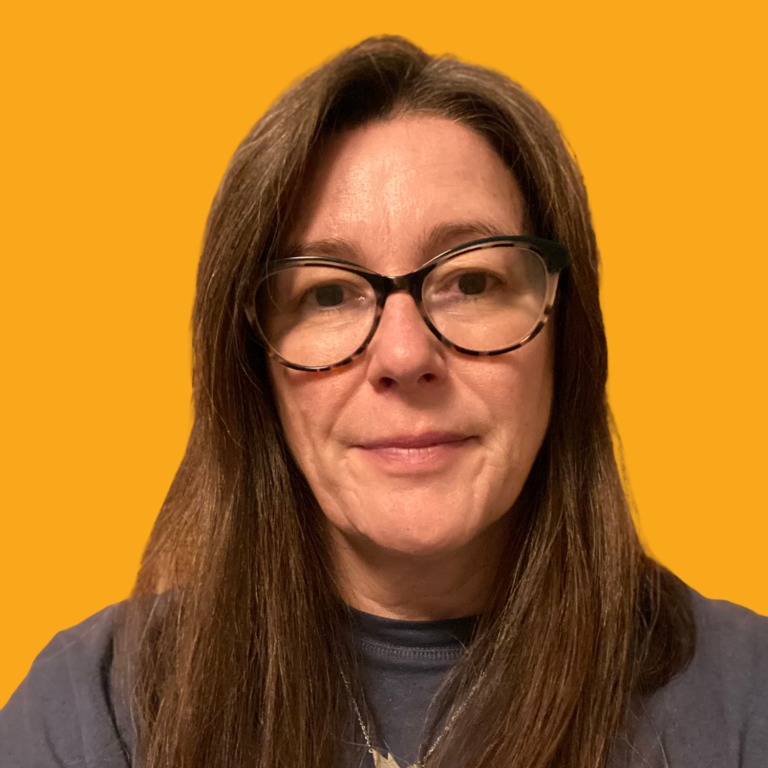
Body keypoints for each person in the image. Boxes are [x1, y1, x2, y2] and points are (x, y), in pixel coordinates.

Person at [1, 35, 766, 768]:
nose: (404, 356)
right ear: (252, 368)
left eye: (472, 282)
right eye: (329, 292)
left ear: (568, 338)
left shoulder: (746, 701)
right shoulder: (95, 711)